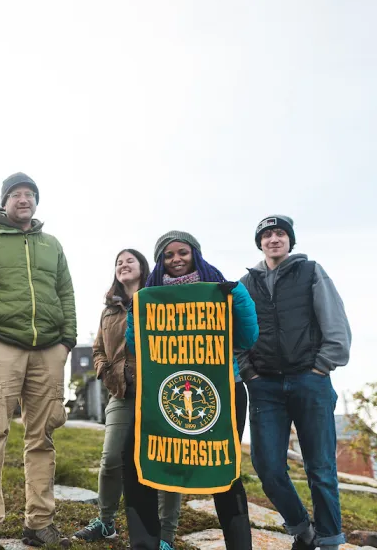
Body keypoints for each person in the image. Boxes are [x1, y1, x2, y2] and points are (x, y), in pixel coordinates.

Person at [0, 172, 76, 550]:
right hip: (0, 346)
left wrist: (67, 341)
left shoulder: (51, 244)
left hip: (49, 350)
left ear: (35, 202)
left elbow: (66, 291)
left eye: (29, 195)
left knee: (42, 437)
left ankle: (39, 524)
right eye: (16, 195)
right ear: (5, 202)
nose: (23, 200)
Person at [122, 231, 259, 550]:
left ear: (194, 254)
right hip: (162, 398)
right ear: (160, 262)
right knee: (135, 459)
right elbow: (134, 344)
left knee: (224, 466)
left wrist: (236, 295)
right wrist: (136, 310)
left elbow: (247, 338)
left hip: (223, 393)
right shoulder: (149, 295)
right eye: (168, 255)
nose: (175, 259)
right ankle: (145, 543)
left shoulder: (222, 289)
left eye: (182, 252)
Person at [238, 215, 352, 550]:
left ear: (290, 240)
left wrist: (321, 368)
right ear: (259, 243)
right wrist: (250, 374)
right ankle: (303, 531)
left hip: (310, 382)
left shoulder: (311, 271)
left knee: (321, 469)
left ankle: (329, 540)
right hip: (265, 388)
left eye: (280, 234)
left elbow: (335, 323)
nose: (274, 239)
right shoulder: (246, 283)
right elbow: (236, 335)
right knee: (268, 467)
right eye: (267, 235)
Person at [72, 249, 183, 545]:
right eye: (118, 262)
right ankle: (105, 522)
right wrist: (103, 370)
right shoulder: (110, 310)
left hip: (159, 396)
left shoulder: (159, 299)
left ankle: (166, 536)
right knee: (111, 460)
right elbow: (97, 348)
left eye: (129, 260)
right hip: (121, 394)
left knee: (164, 462)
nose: (123, 265)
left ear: (143, 267)